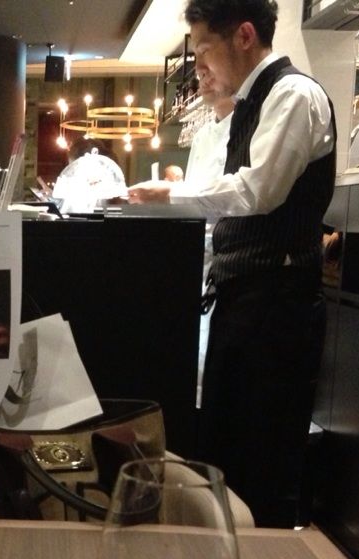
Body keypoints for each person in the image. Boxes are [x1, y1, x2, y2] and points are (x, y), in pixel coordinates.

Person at [128, 0, 336, 528]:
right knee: (228, 456)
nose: (199, 65)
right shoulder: (248, 106)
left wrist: (170, 196)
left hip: (280, 305)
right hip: (244, 300)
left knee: (268, 463)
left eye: (204, 49)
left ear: (244, 36)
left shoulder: (293, 94)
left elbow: (258, 191)